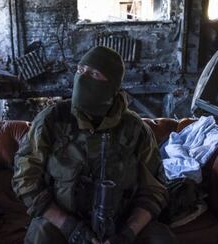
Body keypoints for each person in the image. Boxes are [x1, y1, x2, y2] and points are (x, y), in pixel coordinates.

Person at [12, 46, 176, 244]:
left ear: (112, 86)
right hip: (62, 224)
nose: (82, 78)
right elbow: (25, 180)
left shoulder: (135, 129)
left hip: (121, 224)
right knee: (40, 235)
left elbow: (153, 190)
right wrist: (70, 227)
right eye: (80, 70)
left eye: (94, 73)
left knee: (160, 238)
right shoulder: (52, 120)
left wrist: (127, 234)